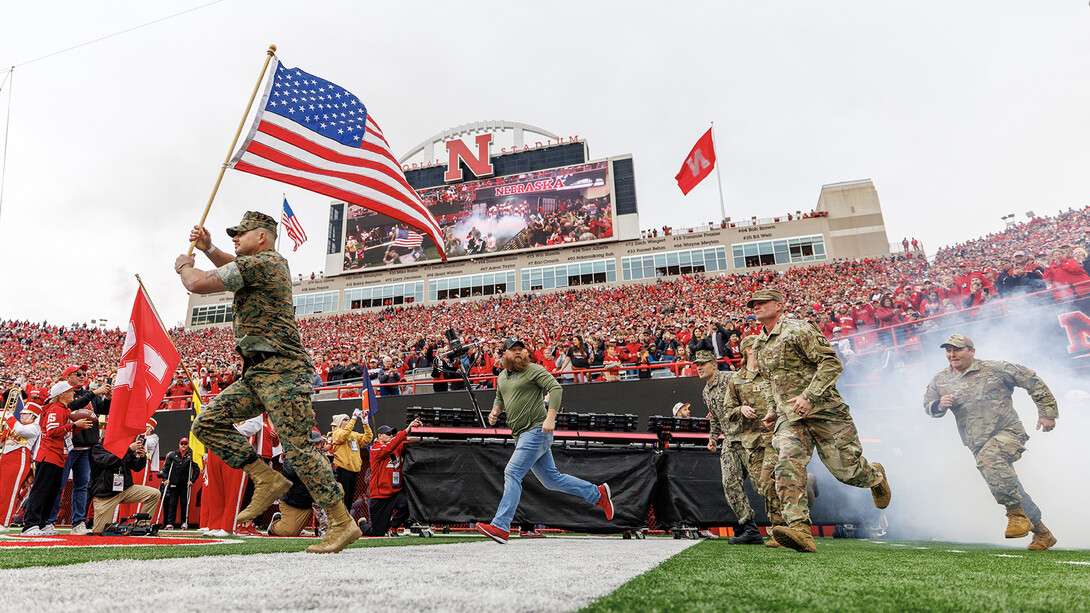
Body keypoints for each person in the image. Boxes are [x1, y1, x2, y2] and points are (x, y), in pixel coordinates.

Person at [177, 211, 359, 553]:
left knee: (300, 450)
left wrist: (184, 264)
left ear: (261, 236)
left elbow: (196, 284)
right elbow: (232, 261)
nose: (235, 238)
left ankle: (342, 522)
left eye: (241, 234)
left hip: (282, 372)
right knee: (208, 423)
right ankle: (265, 476)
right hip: (258, 374)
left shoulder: (264, 263)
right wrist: (210, 247)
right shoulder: (261, 264)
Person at [749, 289, 891, 553]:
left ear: (779, 305)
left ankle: (874, 477)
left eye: (762, 302)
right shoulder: (759, 344)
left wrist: (809, 397)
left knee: (847, 472)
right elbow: (770, 382)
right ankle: (800, 530)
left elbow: (831, 364)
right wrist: (771, 409)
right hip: (791, 418)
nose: (755, 306)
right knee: (786, 464)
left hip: (825, 411)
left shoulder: (798, 330)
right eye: (753, 304)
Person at [923, 334, 1059, 551]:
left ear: (972, 351)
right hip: (976, 443)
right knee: (1008, 485)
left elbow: (1031, 379)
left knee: (991, 459)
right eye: (948, 350)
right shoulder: (940, 379)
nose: (952, 354)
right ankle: (1042, 533)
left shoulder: (996, 368)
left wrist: (1047, 413)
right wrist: (939, 405)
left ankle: (1015, 515)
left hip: (1008, 433)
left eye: (957, 349)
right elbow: (928, 406)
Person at [475, 338, 614, 544]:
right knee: (551, 480)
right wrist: (495, 410)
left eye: (521, 349)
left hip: (537, 429)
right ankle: (598, 494)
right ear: (504, 354)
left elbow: (556, 388)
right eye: (513, 350)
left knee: (512, 472)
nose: (518, 353)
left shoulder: (533, 370)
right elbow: (499, 396)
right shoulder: (502, 376)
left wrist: (551, 417)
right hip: (522, 433)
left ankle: (501, 527)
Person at [723, 336, 786, 547]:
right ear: (749, 350)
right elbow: (727, 411)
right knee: (762, 486)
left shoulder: (771, 373)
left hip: (774, 437)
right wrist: (740, 410)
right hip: (751, 441)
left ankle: (779, 531)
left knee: (768, 483)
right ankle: (802, 486)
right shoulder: (736, 379)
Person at [697, 350, 762, 545]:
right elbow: (715, 417)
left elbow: (750, 399)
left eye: (703, 363)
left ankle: (789, 518)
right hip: (730, 442)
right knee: (730, 484)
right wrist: (713, 438)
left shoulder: (731, 379)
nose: (699, 367)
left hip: (748, 437)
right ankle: (750, 529)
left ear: (714, 364)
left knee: (763, 484)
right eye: (697, 364)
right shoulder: (706, 391)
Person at [21, 381, 95, 535]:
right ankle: (30, 525)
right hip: (49, 455)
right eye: (70, 391)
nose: (73, 393)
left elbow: (64, 433)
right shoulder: (56, 408)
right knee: (42, 491)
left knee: (52, 491)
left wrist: (79, 426)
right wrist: (74, 425)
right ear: (61, 394)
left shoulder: (64, 409)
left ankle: (42, 523)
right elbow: (53, 431)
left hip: (58, 455)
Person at [49, 365, 111, 536]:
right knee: (60, 485)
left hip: (86, 447)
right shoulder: (65, 395)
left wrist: (107, 398)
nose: (83, 376)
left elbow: (105, 410)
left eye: (84, 374)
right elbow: (73, 406)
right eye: (79, 374)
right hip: (69, 447)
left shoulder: (89, 394)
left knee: (82, 486)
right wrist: (95, 393)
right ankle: (50, 522)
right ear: (68, 377)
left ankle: (78, 522)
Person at [358, 420, 421, 537]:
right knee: (377, 533)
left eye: (392, 433)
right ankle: (362, 525)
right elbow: (389, 447)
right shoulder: (374, 449)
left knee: (408, 503)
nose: (391, 435)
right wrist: (405, 431)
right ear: (380, 435)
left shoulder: (395, 445)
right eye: (388, 433)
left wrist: (416, 430)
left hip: (395, 493)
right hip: (380, 496)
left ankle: (393, 527)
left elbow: (407, 441)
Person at [89, 437, 160, 535]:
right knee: (99, 532)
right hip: (106, 495)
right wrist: (128, 449)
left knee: (154, 494)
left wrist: (142, 457)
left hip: (125, 490)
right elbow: (108, 461)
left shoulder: (123, 447)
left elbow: (136, 467)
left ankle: (141, 527)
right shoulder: (98, 448)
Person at [1, 390, 42, 529]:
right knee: (2, 490)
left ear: (33, 415)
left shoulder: (35, 427)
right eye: (22, 413)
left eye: (25, 413)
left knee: (11, 491)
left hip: (19, 459)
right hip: (6, 457)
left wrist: (10, 418)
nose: (21, 415)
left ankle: (4, 522)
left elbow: (22, 432)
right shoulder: (16, 424)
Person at [330, 409, 374, 509]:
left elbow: (368, 438)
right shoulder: (336, 433)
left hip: (354, 470)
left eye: (349, 419)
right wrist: (354, 419)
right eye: (345, 419)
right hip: (343, 469)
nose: (348, 421)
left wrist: (365, 423)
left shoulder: (353, 434)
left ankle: (347, 519)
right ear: (339, 422)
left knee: (350, 498)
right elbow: (343, 436)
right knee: (342, 498)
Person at [158, 438, 199, 529]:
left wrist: (192, 480)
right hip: (174, 482)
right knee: (172, 503)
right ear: (179, 444)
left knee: (184, 503)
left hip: (185, 483)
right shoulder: (173, 455)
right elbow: (166, 468)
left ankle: (184, 522)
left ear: (188, 444)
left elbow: (196, 469)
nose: (183, 445)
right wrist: (165, 479)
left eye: (185, 443)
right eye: (182, 443)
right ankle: (170, 523)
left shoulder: (192, 455)